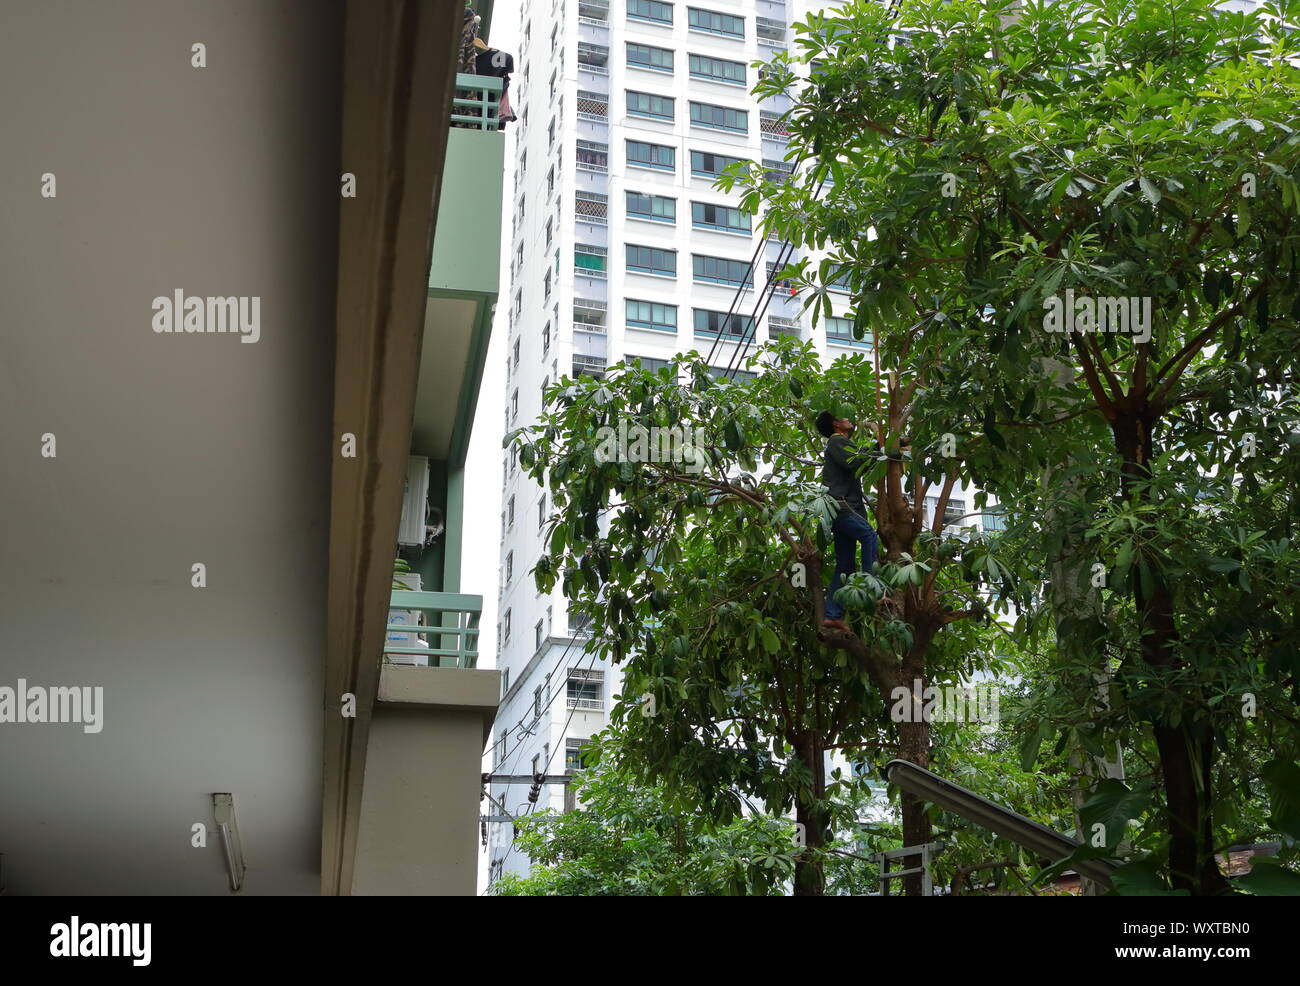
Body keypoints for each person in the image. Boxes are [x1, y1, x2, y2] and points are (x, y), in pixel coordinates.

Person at [816, 410, 878, 631]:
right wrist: (879, 442)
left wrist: (889, 446)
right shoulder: (837, 442)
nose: (849, 419)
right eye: (844, 418)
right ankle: (874, 589)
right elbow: (857, 461)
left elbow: (862, 460)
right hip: (842, 507)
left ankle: (833, 615)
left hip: (839, 510)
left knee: (845, 564)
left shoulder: (841, 444)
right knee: (869, 535)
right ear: (836, 425)